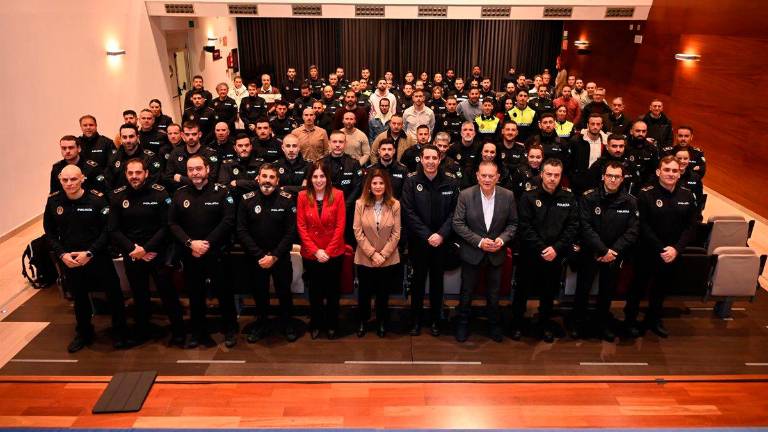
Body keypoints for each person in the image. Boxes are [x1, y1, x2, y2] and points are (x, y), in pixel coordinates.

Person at [44, 165, 129, 353]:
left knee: (113, 294)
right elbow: (49, 233)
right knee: (79, 297)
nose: (69, 183)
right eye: (65, 180)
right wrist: (62, 254)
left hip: (97, 256)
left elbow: (108, 231)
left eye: (73, 179)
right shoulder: (53, 201)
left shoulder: (97, 200)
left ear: (82, 178)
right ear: (59, 180)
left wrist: (90, 253)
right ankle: (84, 333)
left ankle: (120, 332)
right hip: (70, 259)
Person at [108, 158, 185, 346]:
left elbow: (167, 226)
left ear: (146, 173)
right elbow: (113, 229)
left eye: (138, 173)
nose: (134, 177)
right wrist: (134, 250)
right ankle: (142, 331)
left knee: (168, 294)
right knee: (139, 295)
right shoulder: (118, 196)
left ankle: (178, 332)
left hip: (157, 254)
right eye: (130, 173)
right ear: (126, 174)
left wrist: (147, 249)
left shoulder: (159, 194)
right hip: (133, 254)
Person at [624, 156, 698, 339]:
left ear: (680, 173)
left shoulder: (687, 195)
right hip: (647, 251)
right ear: (658, 172)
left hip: (672, 253)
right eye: (667, 170)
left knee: (660, 289)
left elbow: (691, 226)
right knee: (638, 287)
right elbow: (643, 225)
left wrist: (676, 249)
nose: (671, 174)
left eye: (674, 170)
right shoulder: (645, 194)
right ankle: (630, 320)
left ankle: (653, 319)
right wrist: (661, 248)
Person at [168, 155, 238, 348]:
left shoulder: (222, 192)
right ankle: (198, 331)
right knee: (195, 294)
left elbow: (228, 221)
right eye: (191, 169)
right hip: (191, 254)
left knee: (224, 293)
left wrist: (206, 243)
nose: (195, 173)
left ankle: (230, 329)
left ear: (207, 169)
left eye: (199, 168)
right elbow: (172, 223)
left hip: (217, 253)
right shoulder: (180, 193)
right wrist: (191, 244)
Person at [513, 158, 579, 342]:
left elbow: (572, 227)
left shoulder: (568, 197)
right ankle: (517, 323)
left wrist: (556, 249)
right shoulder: (529, 196)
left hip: (555, 255)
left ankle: (544, 324)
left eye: (556, 175)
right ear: (541, 174)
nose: (552, 178)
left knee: (548, 293)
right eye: (548, 174)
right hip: (531, 253)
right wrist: (543, 248)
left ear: (561, 176)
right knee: (522, 291)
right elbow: (524, 226)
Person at [452, 161, 517, 343]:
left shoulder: (508, 196)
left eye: (491, 176)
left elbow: (513, 224)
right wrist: (479, 242)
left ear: (498, 177)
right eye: (484, 175)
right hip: (472, 252)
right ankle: (463, 324)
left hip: (496, 253)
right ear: (478, 176)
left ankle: (494, 325)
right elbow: (457, 223)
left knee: (494, 294)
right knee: (466, 292)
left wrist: (502, 239)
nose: (487, 179)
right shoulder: (465, 195)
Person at [574, 161, 639, 341]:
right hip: (591, 252)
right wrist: (602, 250)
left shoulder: (630, 201)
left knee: (607, 292)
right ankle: (578, 324)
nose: (612, 179)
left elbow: (633, 231)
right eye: (609, 175)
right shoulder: (589, 198)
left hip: (614, 255)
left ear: (622, 179)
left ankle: (601, 324)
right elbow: (585, 227)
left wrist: (613, 251)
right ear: (603, 176)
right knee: (583, 289)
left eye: (617, 176)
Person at [401, 145, 459, 336]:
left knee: (437, 282)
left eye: (435, 158)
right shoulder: (411, 181)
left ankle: (436, 319)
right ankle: (415, 320)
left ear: (440, 159)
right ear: (421, 159)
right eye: (427, 158)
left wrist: (441, 234)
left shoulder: (450, 182)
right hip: (419, 242)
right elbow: (408, 212)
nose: (431, 161)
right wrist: (427, 235)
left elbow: (454, 213)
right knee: (417, 282)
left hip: (441, 242)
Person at [237, 163, 298, 342]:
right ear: (258, 178)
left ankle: (287, 323)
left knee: (284, 292)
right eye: (264, 176)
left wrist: (275, 255)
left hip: (280, 257)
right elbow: (241, 230)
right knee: (259, 293)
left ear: (277, 181)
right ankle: (262, 324)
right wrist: (259, 255)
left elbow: (291, 232)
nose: (267, 181)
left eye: (272, 178)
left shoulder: (287, 200)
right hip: (256, 257)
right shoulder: (247, 199)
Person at [296, 161, 347, 340]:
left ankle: (332, 324)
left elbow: (341, 226)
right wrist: (316, 251)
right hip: (311, 254)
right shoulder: (303, 196)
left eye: (322, 176)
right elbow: (301, 227)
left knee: (333, 292)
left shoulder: (338, 195)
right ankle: (316, 323)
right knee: (315, 292)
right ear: (310, 178)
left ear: (328, 178)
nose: (319, 180)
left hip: (333, 253)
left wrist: (328, 251)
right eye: (315, 176)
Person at [353, 169, 402, 338]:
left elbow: (396, 233)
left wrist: (383, 255)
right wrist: (373, 254)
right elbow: (357, 231)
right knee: (364, 293)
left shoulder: (395, 204)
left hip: (387, 258)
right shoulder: (360, 204)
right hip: (365, 257)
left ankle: (381, 321)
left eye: (381, 183)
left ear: (386, 185)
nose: (378, 186)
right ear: (369, 185)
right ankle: (363, 320)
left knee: (383, 293)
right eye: (374, 183)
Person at [163, 121, 220, 192]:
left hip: (205, 193)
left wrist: (181, 178)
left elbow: (211, 179)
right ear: (182, 135)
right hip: (182, 193)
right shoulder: (175, 153)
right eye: (187, 134)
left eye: (194, 134)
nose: (190, 137)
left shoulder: (210, 154)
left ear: (199, 134)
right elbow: (168, 178)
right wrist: (197, 181)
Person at [104, 124, 162, 190]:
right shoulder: (114, 158)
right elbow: (108, 183)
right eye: (124, 137)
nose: (128, 140)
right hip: (121, 197)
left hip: (145, 196)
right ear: (120, 139)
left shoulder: (150, 158)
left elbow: (155, 181)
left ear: (137, 137)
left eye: (131, 136)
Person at [217, 133, 263, 198]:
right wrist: (251, 184)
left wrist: (238, 182)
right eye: (240, 146)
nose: (244, 148)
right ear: (235, 148)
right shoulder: (227, 165)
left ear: (251, 147)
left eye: (247, 145)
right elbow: (224, 188)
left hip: (255, 202)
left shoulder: (260, 164)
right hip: (234, 202)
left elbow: (262, 184)